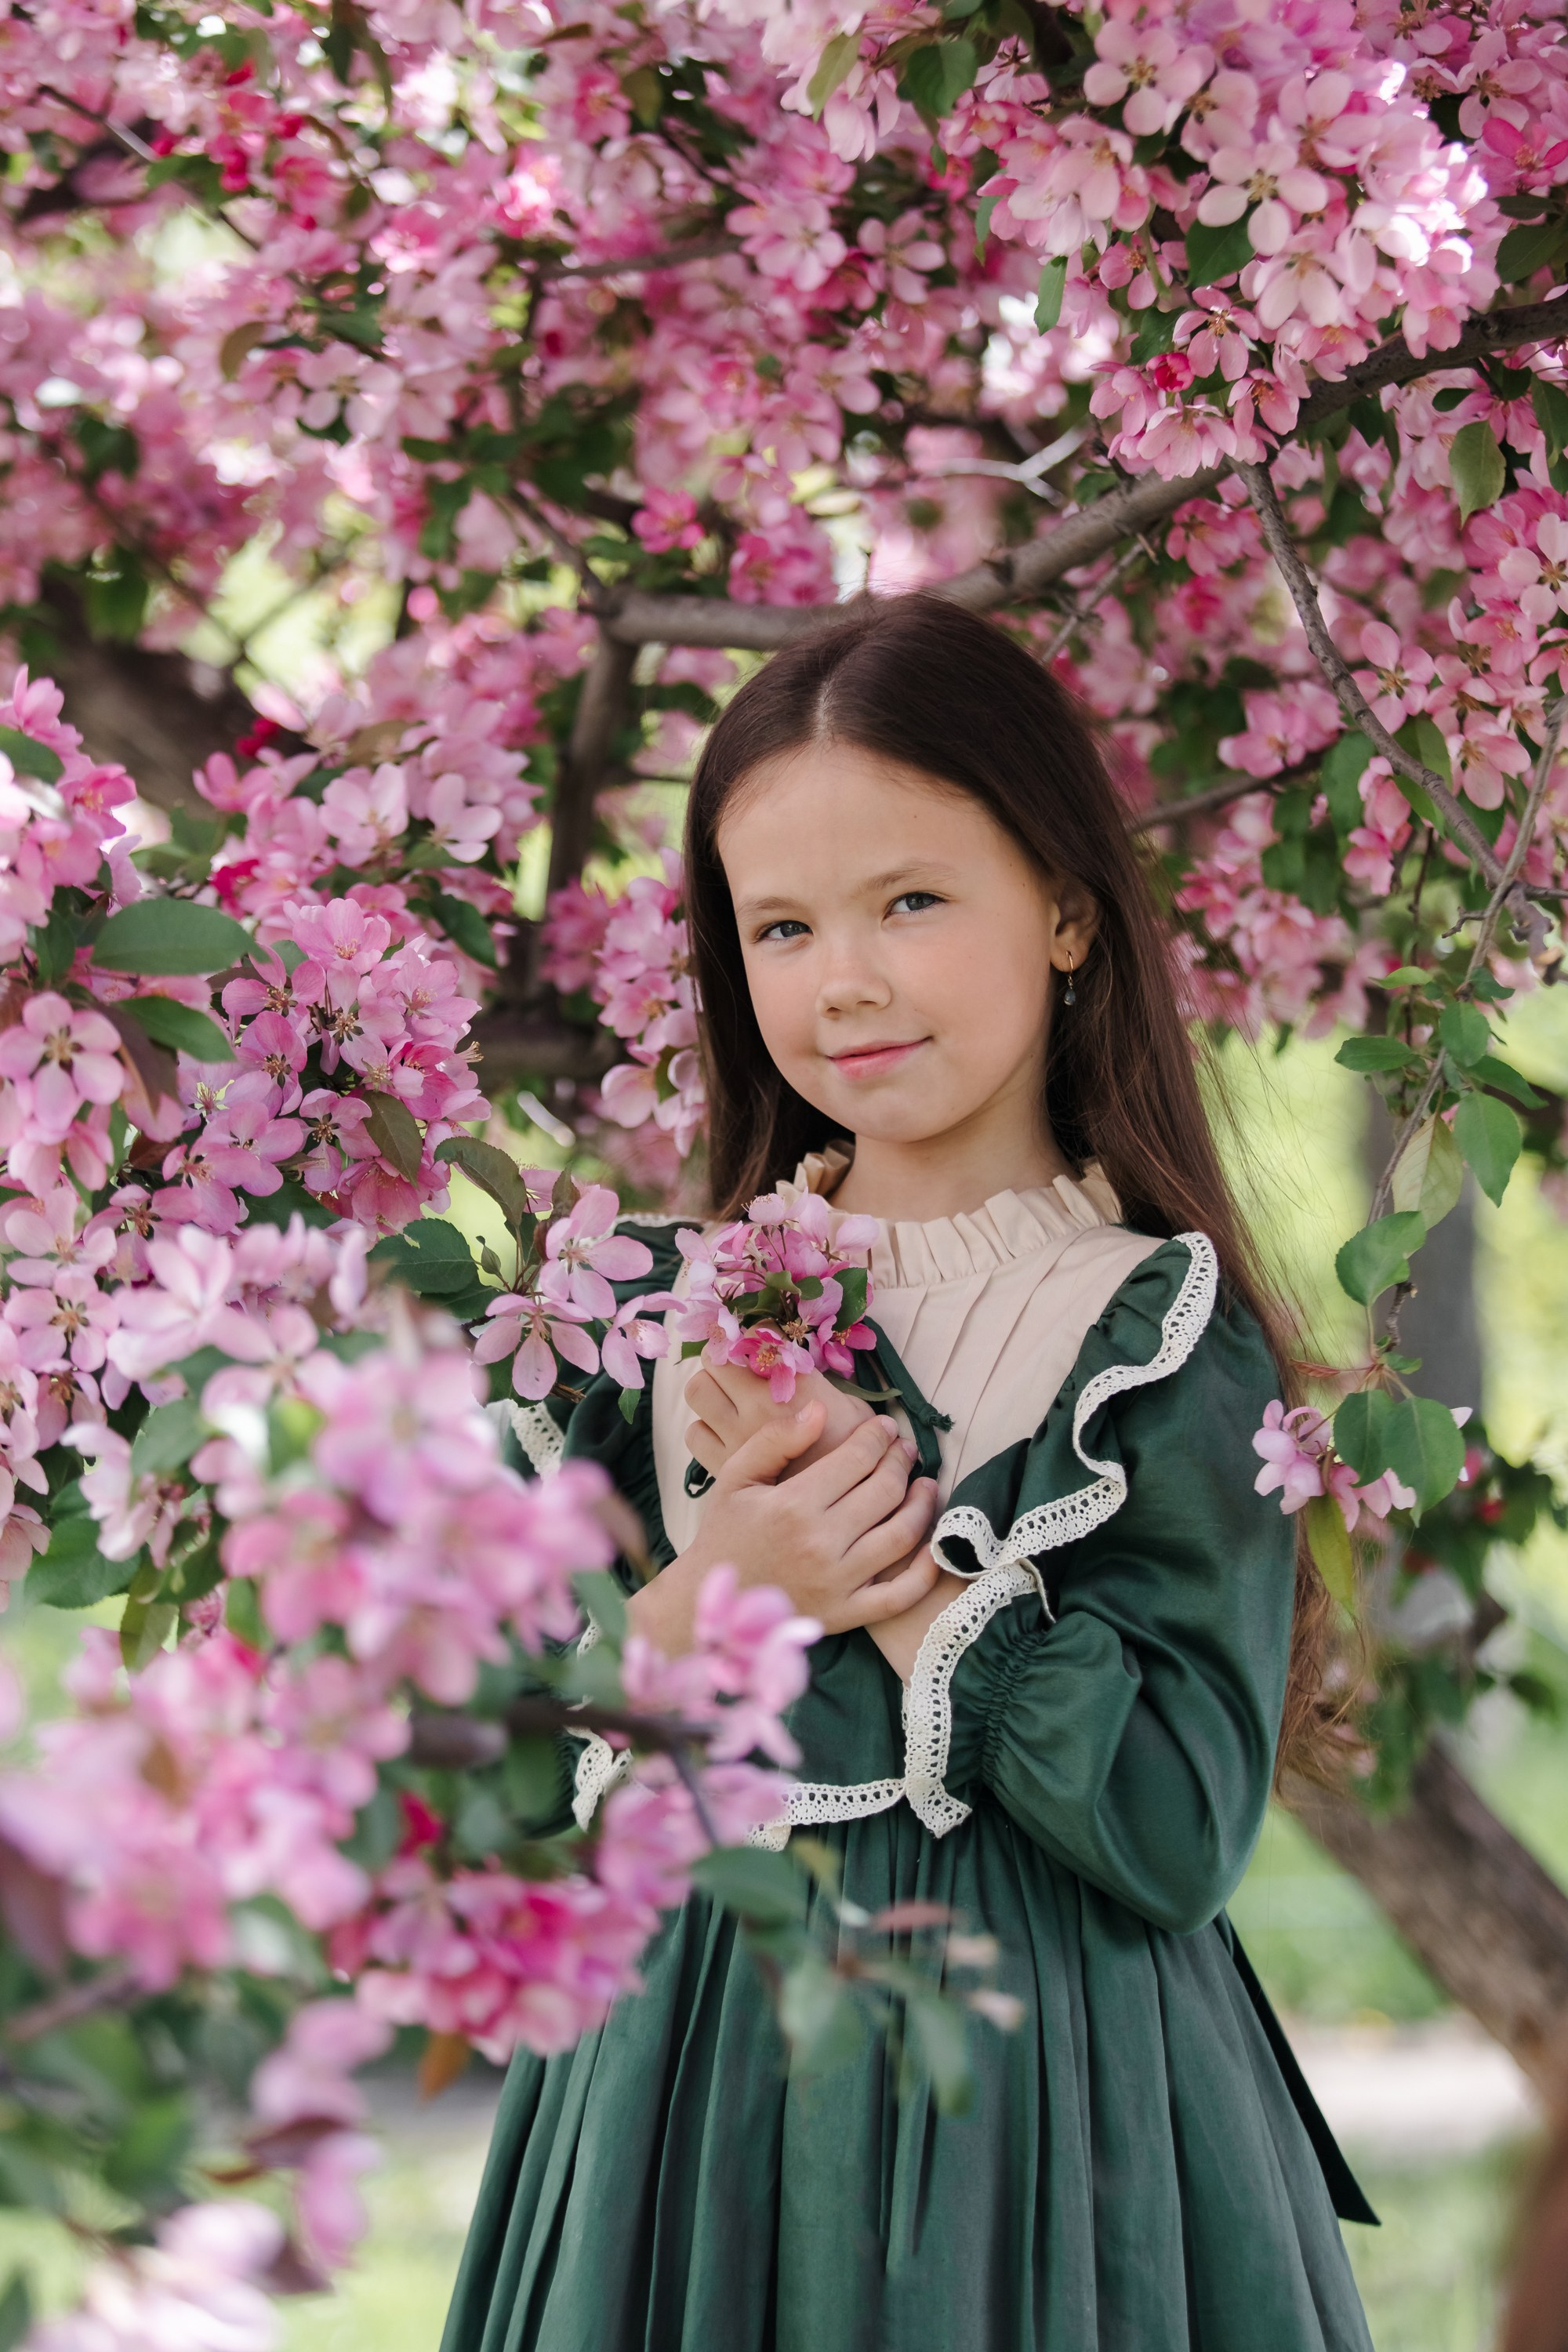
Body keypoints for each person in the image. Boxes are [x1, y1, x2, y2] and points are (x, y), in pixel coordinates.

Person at [441, 594, 1376, 2352]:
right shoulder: (646, 1314)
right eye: (779, 925)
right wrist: (719, 1595)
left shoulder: (1156, 1334)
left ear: (1069, 911)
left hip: (1053, 2122)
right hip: (677, 2108)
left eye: (911, 902)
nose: (843, 979)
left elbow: (1176, 1834)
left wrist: (909, 1583)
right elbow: (480, 1795)